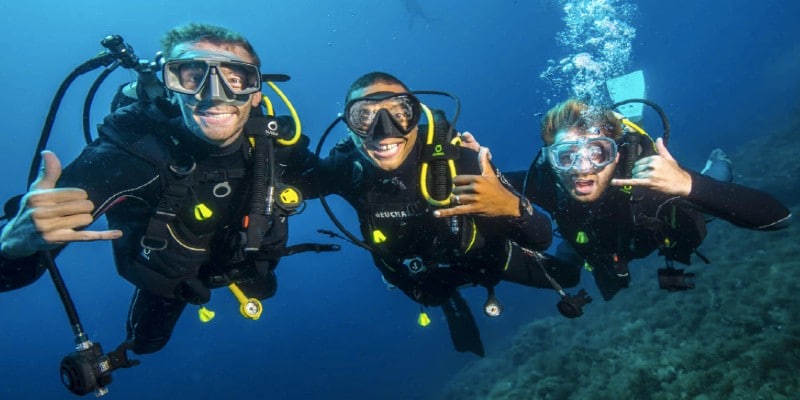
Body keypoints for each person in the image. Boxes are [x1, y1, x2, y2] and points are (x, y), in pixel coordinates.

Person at [0, 23, 325, 362]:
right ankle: (129, 352)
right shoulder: (129, 155)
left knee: (263, 288)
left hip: (244, 260)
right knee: (148, 342)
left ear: (255, 91)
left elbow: (333, 178)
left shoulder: (273, 144)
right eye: (192, 75)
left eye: (234, 78)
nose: (214, 93)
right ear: (170, 86)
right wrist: (13, 246)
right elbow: (13, 269)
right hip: (170, 276)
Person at [436, 98, 792, 311]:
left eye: (597, 152)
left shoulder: (649, 184)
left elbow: (779, 218)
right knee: (565, 268)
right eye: (566, 155)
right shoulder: (543, 180)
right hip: (593, 248)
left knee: (712, 188)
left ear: (615, 154)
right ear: (549, 160)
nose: (582, 168)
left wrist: (686, 183)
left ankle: (719, 161)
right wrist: (477, 168)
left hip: (660, 232)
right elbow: (487, 185)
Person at [300, 72, 556, 356]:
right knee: (435, 298)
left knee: (565, 278)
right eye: (365, 116)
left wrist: (510, 206)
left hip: (486, 260)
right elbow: (291, 183)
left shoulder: (460, 159)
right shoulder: (346, 169)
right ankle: (448, 300)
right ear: (348, 124)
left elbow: (542, 239)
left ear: (416, 114)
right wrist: (274, 143)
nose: (385, 131)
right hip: (417, 279)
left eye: (399, 112)